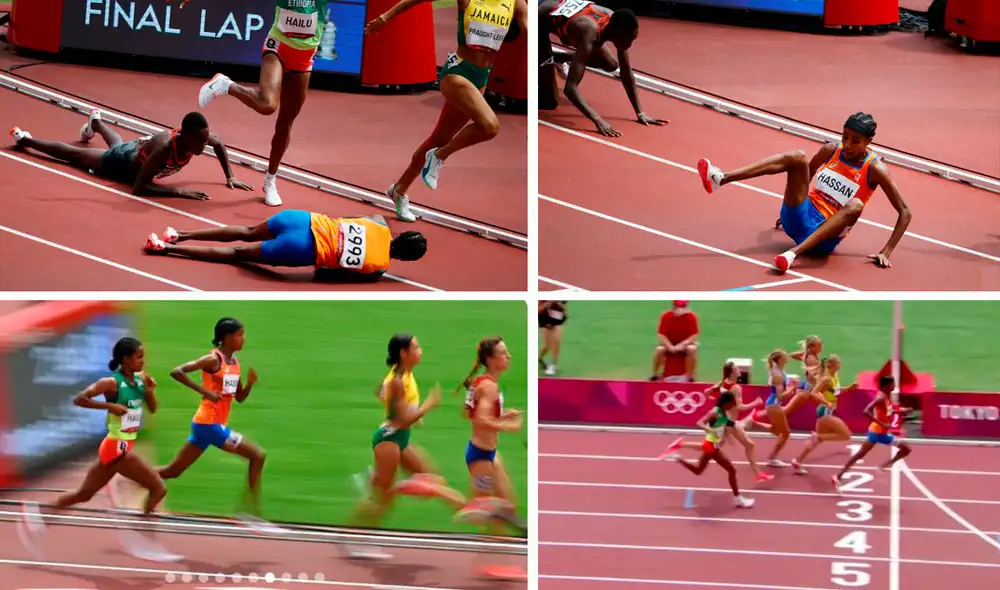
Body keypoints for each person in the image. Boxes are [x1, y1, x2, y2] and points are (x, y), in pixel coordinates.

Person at [17, 337, 182, 562]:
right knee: (158, 488)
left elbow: (152, 409)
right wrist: (109, 405)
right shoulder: (111, 383)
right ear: (126, 359)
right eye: (139, 357)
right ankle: (146, 538)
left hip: (123, 445)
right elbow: (80, 399)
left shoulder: (141, 381)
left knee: (84, 495)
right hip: (115, 446)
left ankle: (37, 514)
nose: (143, 361)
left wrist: (151, 391)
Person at [343, 334, 506, 560]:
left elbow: (380, 391)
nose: (421, 351)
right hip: (389, 440)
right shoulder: (398, 380)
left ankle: (373, 484)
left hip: (399, 439)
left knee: (429, 478)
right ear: (404, 353)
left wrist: (402, 407)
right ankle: (357, 540)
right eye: (416, 347)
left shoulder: (403, 375)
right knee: (385, 496)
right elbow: (400, 420)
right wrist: (427, 405)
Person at [366, 0, 530, 213]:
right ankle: (438, 157)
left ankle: (399, 190)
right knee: (490, 127)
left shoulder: (515, 3)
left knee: (439, 139)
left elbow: (529, 32)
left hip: (481, 78)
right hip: (458, 72)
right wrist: (384, 18)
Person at [696, 112, 912, 272]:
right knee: (798, 156)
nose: (847, 144)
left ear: (869, 142)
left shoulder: (875, 169)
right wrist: (794, 201)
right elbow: (806, 174)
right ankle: (720, 179)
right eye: (845, 137)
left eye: (855, 141)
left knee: (856, 205)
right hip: (799, 217)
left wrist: (886, 251)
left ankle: (791, 255)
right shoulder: (831, 150)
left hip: (822, 239)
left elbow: (905, 212)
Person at [182, 0, 330, 207]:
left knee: (285, 124)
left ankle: (270, 180)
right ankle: (225, 85)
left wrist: (384, 19)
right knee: (268, 105)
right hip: (278, 47)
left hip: (305, 58)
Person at [154, 318, 279, 533]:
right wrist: (205, 392)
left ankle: (131, 475)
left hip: (207, 426)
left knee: (173, 471)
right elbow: (177, 372)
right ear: (228, 338)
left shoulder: (235, 363)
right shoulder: (213, 359)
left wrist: (249, 384)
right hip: (210, 424)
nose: (243, 339)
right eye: (240, 335)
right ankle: (250, 512)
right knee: (257, 456)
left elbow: (238, 397)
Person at [9, 111, 251, 200]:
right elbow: (139, 187)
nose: (204, 145)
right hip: (120, 164)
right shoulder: (167, 147)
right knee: (74, 155)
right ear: (185, 135)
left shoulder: (202, 138)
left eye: (205, 139)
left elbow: (219, 144)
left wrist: (230, 176)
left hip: (134, 151)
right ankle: (26, 140)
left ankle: (96, 121)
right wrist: (177, 191)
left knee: (117, 143)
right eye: (200, 140)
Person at [142, 211, 427, 281]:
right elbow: (326, 275)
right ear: (406, 259)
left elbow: (347, 220)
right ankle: (164, 249)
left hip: (302, 219)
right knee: (236, 254)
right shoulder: (377, 269)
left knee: (246, 231)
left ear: (401, 236)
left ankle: (179, 233)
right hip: (302, 248)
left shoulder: (379, 222)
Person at [539, 1, 667, 137]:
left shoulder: (616, 22)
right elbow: (570, 88)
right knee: (549, 101)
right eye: (629, 40)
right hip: (538, 20)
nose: (630, 45)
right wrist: (598, 120)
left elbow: (625, 71)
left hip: (561, 9)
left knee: (611, 64)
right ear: (618, 33)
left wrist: (640, 112)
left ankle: (557, 57)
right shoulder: (589, 31)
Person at [462, 337, 527, 580]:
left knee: (507, 505)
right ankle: (490, 563)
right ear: (491, 359)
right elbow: (480, 419)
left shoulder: (483, 383)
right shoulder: (488, 386)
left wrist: (501, 413)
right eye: (503, 352)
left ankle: (494, 562)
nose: (508, 356)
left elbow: (469, 411)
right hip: (480, 457)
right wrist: (508, 426)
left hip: (488, 454)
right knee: (493, 512)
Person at [662, 362, 774, 484]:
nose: (739, 370)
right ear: (732, 372)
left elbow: (707, 391)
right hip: (730, 422)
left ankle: (681, 444)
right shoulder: (736, 388)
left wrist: (710, 396)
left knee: (712, 446)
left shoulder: (723, 382)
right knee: (749, 445)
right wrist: (755, 403)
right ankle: (758, 474)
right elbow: (740, 407)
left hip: (725, 421)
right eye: (737, 369)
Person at [664, 391, 755, 508]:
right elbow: (699, 423)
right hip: (711, 446)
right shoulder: (714, 412)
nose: (733, 405)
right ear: (725, 403)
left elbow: (731, 424)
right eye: (732, 403)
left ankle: (677, 458)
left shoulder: (723, 413)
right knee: (732, 470)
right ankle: (738, 499)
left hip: (712, 445)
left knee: (698, 470)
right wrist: (709, 429)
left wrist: (748, 420)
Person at [833, 375, 913, 490]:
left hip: (880, 433)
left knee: (905, 449)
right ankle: (884, 466)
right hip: (878, 433)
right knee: (905, 449)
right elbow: (866, 411)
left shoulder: (886, 396)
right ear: (886, 385)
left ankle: (839, 476)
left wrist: (901, 411)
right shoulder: (880, 397)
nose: (894, 386)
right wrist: (882, 424)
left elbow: (887, 411)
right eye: (892, 384)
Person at [791, 355, 858, 475]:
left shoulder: (834, 377)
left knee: (816, 440)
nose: (840, 365)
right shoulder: (826, 379)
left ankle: (797, 460)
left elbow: (835, 392)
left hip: (826, 410)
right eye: (839, 363)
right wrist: (827, 402)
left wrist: (849, 388)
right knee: (846, 435)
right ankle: (818, 437)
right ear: (833, 365)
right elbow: (813, 393)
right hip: (825, 411)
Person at [757, 349, 799, 467]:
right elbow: (780, 396)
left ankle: (753, 422)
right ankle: (772, 458)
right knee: (786, 432)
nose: (787, 357)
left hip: (773, 404)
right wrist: (792, 388)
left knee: (776, 431)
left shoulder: (779, 370)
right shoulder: (778, 374)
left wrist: (790, 389)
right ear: (780, 359)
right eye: (785, 356)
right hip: (774, 404)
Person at [650, 300, 699, 382]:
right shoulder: (666, 316)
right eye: (678, 307)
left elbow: (693, 336)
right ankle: (655, 375)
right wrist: (670, 347)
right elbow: (662, 335)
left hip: (684, 346)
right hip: (669, 344)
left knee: (692, 349)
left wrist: (681, 346)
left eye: (683, 307)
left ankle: (690, 377)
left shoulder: (691, 317)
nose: (680, 309)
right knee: (659, 350)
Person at [538, 301, 567, 376]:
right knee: (547, 345)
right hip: (544, 317)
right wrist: (549, 303)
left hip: (557, 316)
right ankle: (540, 358)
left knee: (556, 341)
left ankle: (553, 365)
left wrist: (563, 310)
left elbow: (564, 304)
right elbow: (538, 309)